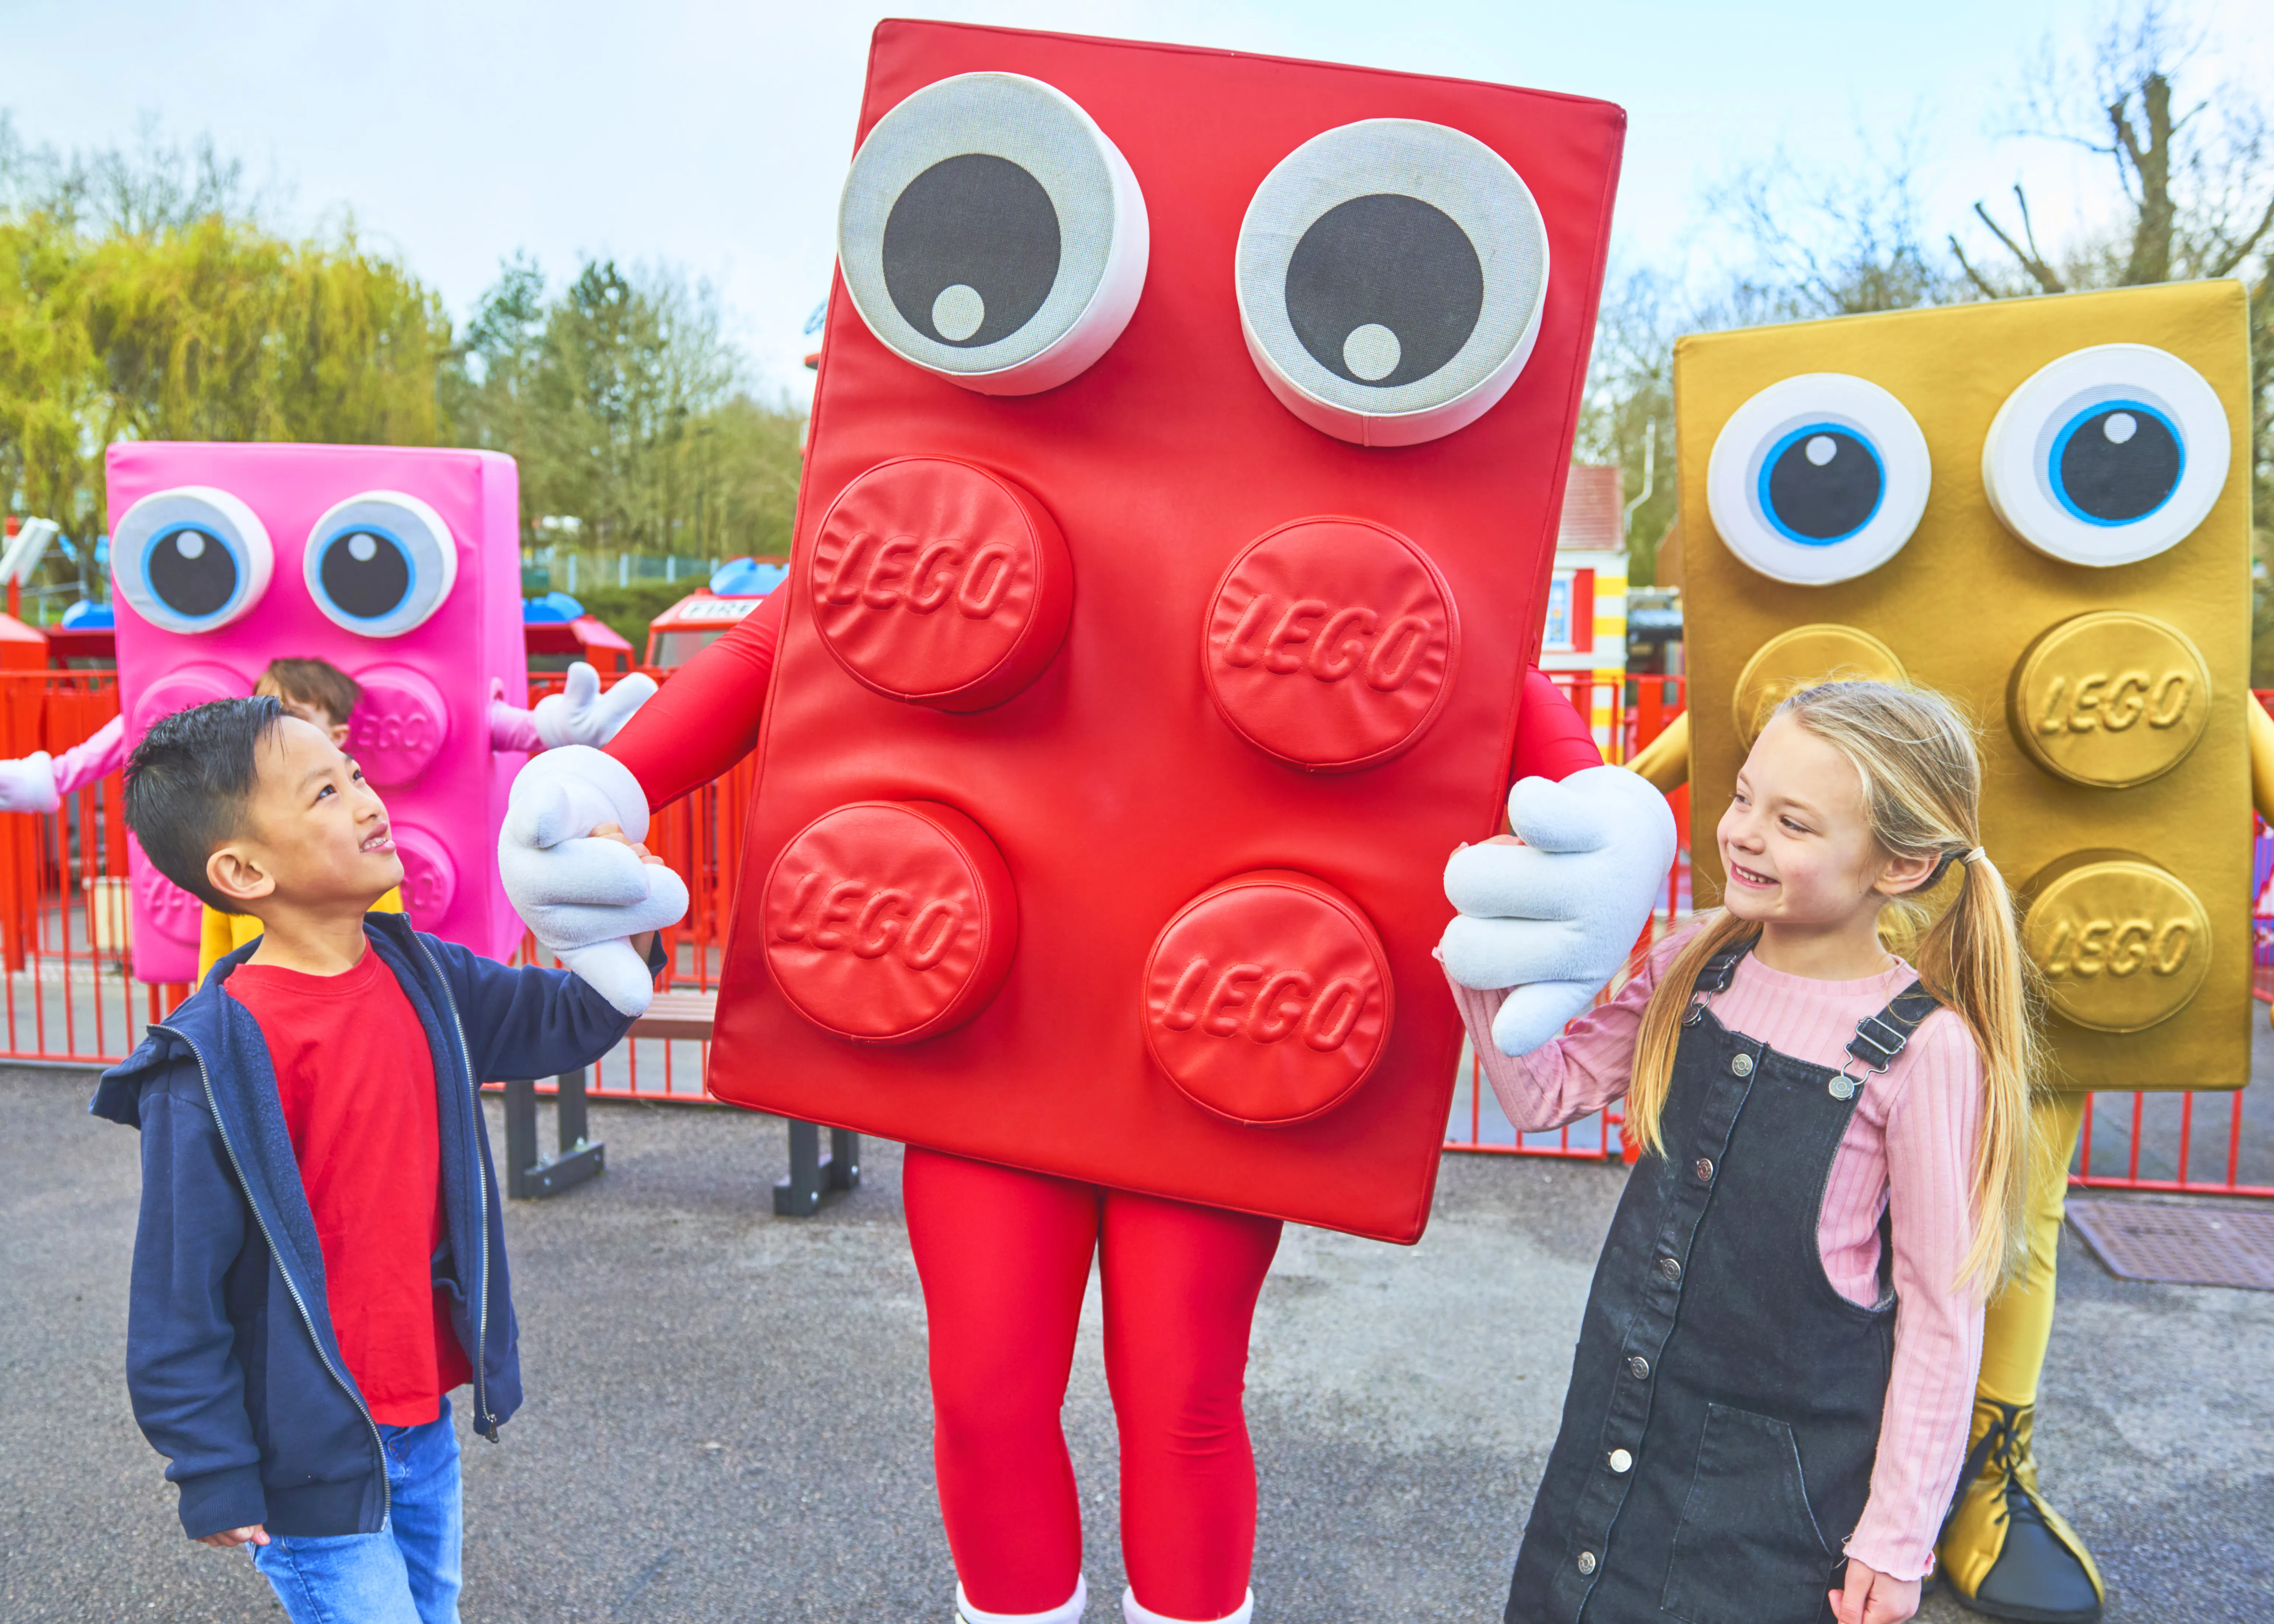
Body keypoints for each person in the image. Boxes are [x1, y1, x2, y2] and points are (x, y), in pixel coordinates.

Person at [1440, 681, 2036, 1624]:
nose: (1744, 833)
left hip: (1776, 1502)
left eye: (1793, 822)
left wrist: (1895, 1536)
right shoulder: (1695, 964)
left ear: (1902, 862)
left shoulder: (1924, 1050)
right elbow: (1540, 1092)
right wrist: (1479, 948)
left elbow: (1942, 1311)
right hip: (1618, 1432)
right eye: (1745, 796)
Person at [90, 695, 667, 1624]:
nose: (365, 799)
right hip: (304, 1446)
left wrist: (619, 906)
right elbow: (175, 1291)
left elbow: (567, 1019)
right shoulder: (207, 1060)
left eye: (354, 772)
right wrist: (212, 1470)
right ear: (241, 869)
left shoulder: (422, 972)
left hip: (420, 1412)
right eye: (323, 792)